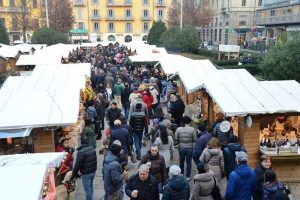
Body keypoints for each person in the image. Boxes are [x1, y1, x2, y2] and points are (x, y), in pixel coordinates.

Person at [72, 136, 97, 200]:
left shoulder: (81, 152)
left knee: (87, 189)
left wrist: (74, 173)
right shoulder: (92, 148)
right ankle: (91, 197)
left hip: (86, 173)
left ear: (81, 142)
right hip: (93, 171)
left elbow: (78, 164)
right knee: (90, 186)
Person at [175, 116, 197, 181]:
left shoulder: (178, 129)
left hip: (181, 147)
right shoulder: (192, 129)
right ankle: (188, 176)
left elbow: (176, 138)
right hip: (190, 148)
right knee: (189, 162)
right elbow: (194, 139)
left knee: (181, 161)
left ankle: (181, 173)